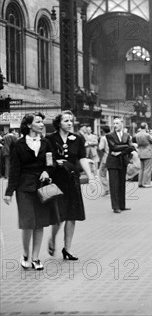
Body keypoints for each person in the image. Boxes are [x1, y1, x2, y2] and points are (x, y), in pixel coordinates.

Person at [3, 113, 58, 270]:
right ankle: (25, 253)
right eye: (38, 122)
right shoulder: (18, 145)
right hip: (24, 187)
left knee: (39, 222)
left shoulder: (46, 143)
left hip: (42, 186)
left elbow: (51, 162)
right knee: (28, 222)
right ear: (29, 125)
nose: (42, 124)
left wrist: (48, 171)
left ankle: (36, 257)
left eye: (42, 122)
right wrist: (9, 192)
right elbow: (14, 169)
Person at [46, 111, 95, 259]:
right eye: (66, 120)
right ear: (59, 123)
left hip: (72, 180)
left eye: (71, 121)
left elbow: (82, 159)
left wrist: (91, 178)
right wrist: (54, 163)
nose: (69, 123)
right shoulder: (50, 139)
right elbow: (47, 159)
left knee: (72, 215)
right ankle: (53, 238)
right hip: (56, 180)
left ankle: (67, 249)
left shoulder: (78, 139)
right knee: (59, 215)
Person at [105, 117, 135, 213]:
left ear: (122, 124)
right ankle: (115, 207)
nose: (115, 125)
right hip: (113, 162)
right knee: (114, 185)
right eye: (114, 123)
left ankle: (122, 205)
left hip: (122, 161)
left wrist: (121, 152)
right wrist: (126, 146)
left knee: (122, 184)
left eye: (117, 123)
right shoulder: (109, 135)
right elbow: (113, 147)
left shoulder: (127, 135)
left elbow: (132, 148)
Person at [134, 122, 152, 188]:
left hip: (140, 152)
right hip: (147, 151)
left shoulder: (137, 135)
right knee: (147, 168)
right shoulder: (147, 135)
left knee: (141, 168)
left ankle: (140, 182)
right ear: (146, 126)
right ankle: (146, 183)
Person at [96, 125, 111, 196]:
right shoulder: (113, 136)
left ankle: (107, 189)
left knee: (101, 173)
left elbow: (100, 147)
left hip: (106, 158)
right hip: (113, 158)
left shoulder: (103, 138)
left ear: (103, 131)